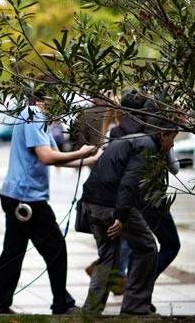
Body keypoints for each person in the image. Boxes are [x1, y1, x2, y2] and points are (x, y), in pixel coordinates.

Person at [0, 91, 100, 315]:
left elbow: (56, 157)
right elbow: (46, 157)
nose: (62, 108)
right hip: (27, 199)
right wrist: (81, 151)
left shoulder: (38, 119)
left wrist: (90, 158)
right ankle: (62, 304)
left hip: (17, 195)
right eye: (58, 102)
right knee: (56, 249)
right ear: (44, 100)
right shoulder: (33, 114)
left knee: (12, 253)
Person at [81, 118, 178, 315]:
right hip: (111, 205)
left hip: (92, 202)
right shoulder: (147, 146)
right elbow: (129, 182)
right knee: (148, 247)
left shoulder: (134, 139)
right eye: (172, 139)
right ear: (163, 134)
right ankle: (135, 306)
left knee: (108, 256)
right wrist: (121, 217)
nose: (173, 144)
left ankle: (91, 310)